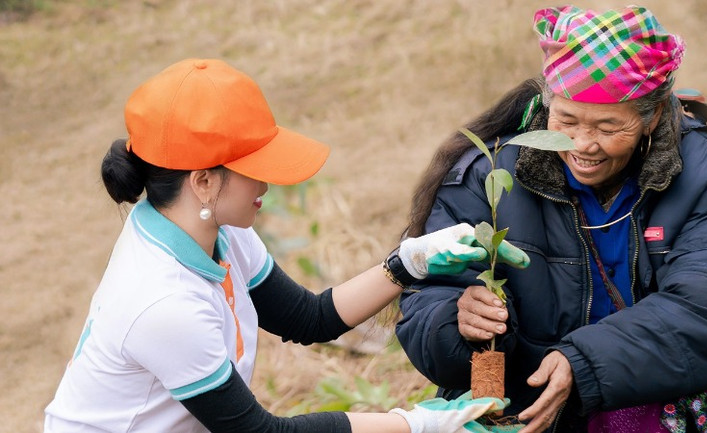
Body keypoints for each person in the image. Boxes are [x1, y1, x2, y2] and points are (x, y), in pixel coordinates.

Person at [42, 58, 529, 433]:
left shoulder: (216, 229)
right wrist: (415, 424)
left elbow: (308, 319)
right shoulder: (162, 302)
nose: (267, 183)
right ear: (203, 181)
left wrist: (409, 263)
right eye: (254, 168)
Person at [395, 5, 707, 433]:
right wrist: (456, 320)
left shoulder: (706, 177)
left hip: (654, 397)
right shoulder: (489, 175)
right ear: (548, 104)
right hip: (525, 402)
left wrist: (584, 362)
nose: (583, 145)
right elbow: (427, 296)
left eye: (608, 127)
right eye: (567, 120)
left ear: (652, 118)